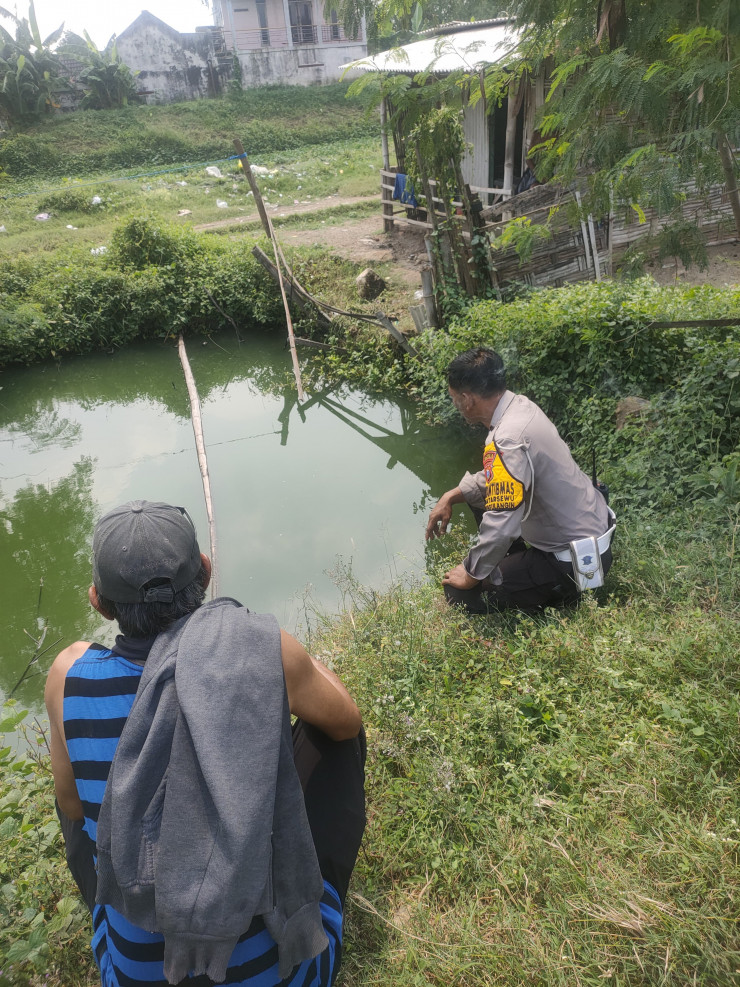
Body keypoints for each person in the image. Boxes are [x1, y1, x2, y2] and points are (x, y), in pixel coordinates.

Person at [45, 500, 366, 987]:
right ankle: (313, 903)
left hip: (130, 976)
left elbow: (72, 805)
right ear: (207, 573)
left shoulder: (68, 676)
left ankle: (123, 917)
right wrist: (252, 634)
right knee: (334, 733)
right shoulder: (264, 650)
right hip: (281, 975)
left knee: (71, 807)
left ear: (99, 602)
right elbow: (345, 719)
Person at [426, 348, 615, 614]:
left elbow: (502, 525)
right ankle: (516, 566)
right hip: (593, 533)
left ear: (467, 399)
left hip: (575, 561)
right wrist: (451, 495)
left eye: (454, 398)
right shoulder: (520, 408)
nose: (455, 405)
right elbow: (502, 478)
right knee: (475, 497)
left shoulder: (507, 440)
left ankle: (561, 596)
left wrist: (471, 574)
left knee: (458, 594)